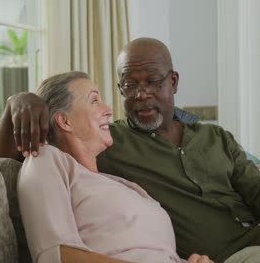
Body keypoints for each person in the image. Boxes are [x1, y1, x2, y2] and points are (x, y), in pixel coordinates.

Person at [0, 38, 260, 263]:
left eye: (152, 82)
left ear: (172, 81)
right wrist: (19, 101)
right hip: (224, 256)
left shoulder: (216, 137)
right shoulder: (109, 143)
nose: (140, 95)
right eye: (128, 85)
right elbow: (10, 161)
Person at [13, 71, 213, 263]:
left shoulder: (121, 184)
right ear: (65, 121)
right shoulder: (46, 160)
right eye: (94, 101)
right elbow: (56, 256)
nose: (108, 110)